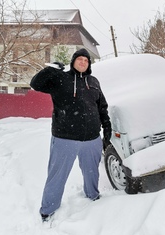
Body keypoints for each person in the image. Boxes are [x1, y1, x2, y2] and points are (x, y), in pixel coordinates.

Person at [30, 48, 111, 222]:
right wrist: (51, 70)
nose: (83, 62)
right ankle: (48, 209)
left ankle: (93, 195)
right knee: (57, 175)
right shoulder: (61, 78)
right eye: (79, 59)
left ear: (89, 64)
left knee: (92, 173)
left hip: (91, 138)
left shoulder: (94, 81)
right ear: (73, 61)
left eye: (86, 60)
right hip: (64, 138)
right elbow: (35, 84)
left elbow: (101, 107)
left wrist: (107, 128)